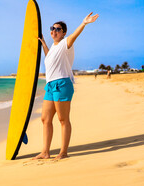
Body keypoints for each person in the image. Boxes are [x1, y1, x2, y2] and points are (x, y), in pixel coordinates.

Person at [33, 12, 99, 160]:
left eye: (58, 29)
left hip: (62, 84)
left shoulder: (66, 43)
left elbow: (75, 35)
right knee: (45, 119)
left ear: (63, 33)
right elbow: (49, 57)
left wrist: (84, 23)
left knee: (63, 119)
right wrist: (43, 43)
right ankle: (45, 152)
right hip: (50, 85)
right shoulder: (53, 48)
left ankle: (63, 152)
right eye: (52, 28)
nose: (54, 31)